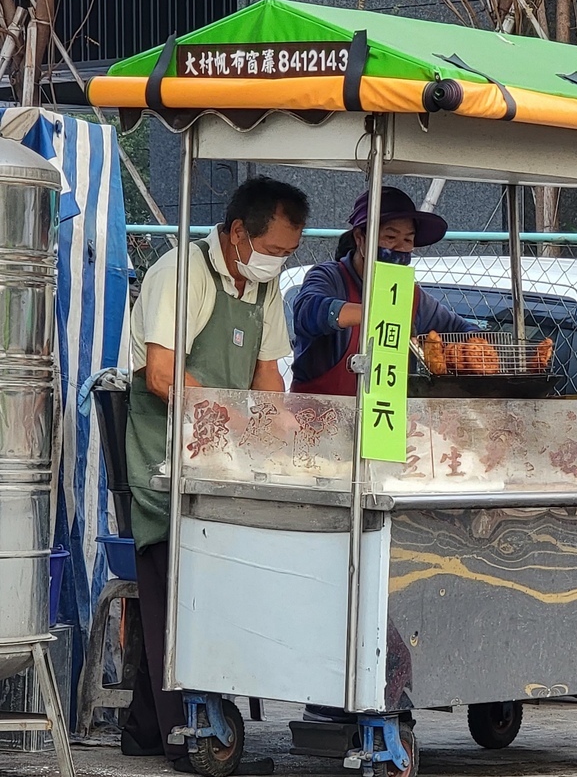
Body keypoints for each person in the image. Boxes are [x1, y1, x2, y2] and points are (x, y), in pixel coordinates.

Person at [122, 176, 309, 771]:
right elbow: (161, 374)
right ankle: (190, 735)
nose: (278, 262)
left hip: (223, 456)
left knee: (209, 577)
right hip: (164, 453)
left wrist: (290, 440)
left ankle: (147, 730)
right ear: (236, 233)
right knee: (180, 579)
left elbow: (267, 377)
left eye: (288, 253)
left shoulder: (264, 288)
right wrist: (237, 422)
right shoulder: (183, 273)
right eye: (273, 250)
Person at [290, 186, 477, 395]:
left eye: (407, 240)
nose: (400, 248)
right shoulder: (329, 277)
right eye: (390, 237)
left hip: (383, 420)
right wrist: (377, 314)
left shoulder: (412, 297)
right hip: (320, 417)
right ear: (360, 238)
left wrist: (467, 352)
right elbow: (309, 311)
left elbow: (463, 331)